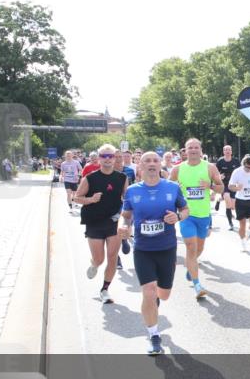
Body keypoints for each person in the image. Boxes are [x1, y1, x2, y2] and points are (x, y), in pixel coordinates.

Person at [119, 152, 189, 355]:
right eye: (147, 161)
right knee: (148, 292)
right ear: (139, 166)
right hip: (143, 249)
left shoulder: (172, 187)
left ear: (160, 165)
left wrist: (177, 216)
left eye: (155, 161)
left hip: (167, 248)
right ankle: (154, 335)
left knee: (163, 295)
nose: (151, 164)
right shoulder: (132, 191)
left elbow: (186, 210)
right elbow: (125, 216)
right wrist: (123, 226)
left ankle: (155, 301)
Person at [73, 144, 128, 304]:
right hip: (94, 222)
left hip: (114, 222)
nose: (108, 159)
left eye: (110, 156)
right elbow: (76, 198)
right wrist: (91, 199)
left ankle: (105, 289)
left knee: (112, 258)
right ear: (99, 158)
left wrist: (128, 218)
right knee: (99, 259)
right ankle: (94, 264)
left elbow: (127, 199)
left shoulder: (122, 178)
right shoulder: (90, 178)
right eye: (104, 156)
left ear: (115, 158)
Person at [170, 138, 224, 299]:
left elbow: (221, 187)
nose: (193, 150)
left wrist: (210, 186)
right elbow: (167, 190)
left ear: (200, 150)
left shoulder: (209, 167)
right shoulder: (177, 169)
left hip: (203, 216)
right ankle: (197, 284)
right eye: (190, 148)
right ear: (185, 151)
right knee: (191, 248)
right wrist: (175, 190)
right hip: (187, 215)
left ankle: (190, 266)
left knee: (199, 249)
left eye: (196, 147)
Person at [229, 155, 250, 252]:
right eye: (247, 167)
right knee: (242, 224)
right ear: (243, 164)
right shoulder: (237, 172)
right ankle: (243, 243)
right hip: (240, 201)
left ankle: (248, 233)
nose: (249, 169)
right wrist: (236, 188)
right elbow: (230, 186)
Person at [216, 145, 241, 231]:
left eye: (229, 150)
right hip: (224, 184)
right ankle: (230, 223)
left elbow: (240, 172)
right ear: (223, 152)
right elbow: (215, 174)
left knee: (233, 206)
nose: (227, 151)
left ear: (231, 152)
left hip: (233, 185)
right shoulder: (220, 161)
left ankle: (219, 200)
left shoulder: (236, 161)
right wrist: (219, 176)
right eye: (226, 150)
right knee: (227, 200)